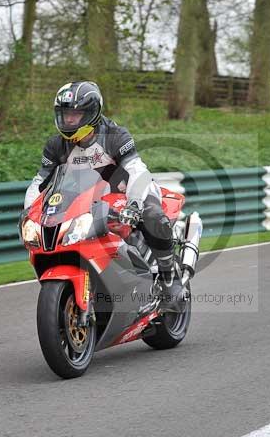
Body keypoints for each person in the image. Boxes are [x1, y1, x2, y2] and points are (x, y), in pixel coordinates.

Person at [24, 81, 184, 306]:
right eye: (64, 114)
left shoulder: (115, 135)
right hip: (88, 200)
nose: (68, 120)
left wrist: (135, 203)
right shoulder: (56, 145)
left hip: (126, 192)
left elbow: (136, 170)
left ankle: (169, 278)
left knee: (152, 215)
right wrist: (29, 213)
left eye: (75, 114)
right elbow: (40, 183)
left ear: (91, 113)